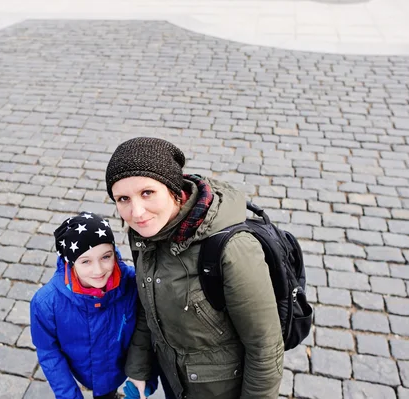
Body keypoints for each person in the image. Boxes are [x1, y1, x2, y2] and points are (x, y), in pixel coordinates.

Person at [105, 137, 285, 399]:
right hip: (176, 384)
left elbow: (266, 348)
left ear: (173, 189)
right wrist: (139, 370)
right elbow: (148, 308)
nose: (137, 212)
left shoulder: (232, 250)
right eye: (123, 198)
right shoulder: (146, 234)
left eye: (147, 193)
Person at [30, 212, 156, 399]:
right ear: (70, 262)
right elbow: (48, 351)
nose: (98, 270)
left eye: (106, 257)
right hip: (82, 370)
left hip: (118, 370)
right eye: (86, 261)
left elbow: (146, 327)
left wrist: (144, 375)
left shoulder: (131, 283)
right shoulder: (46, 303)